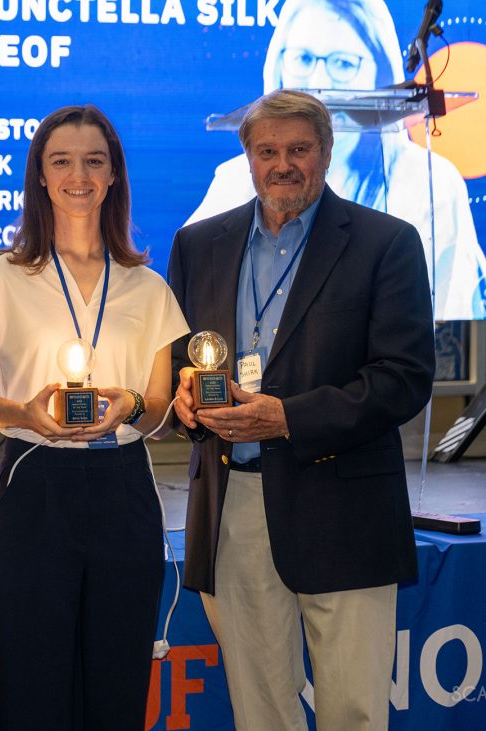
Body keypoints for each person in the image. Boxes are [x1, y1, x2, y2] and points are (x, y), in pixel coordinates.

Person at [169, 89, 435, 730]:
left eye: (298, 150)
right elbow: (184, 364)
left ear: (327, 151)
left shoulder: (386, 243)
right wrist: (181, 400)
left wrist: (286, 418)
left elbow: (404, 379)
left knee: (353, 712)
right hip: (232, 511)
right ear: (248, 158)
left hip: (344, 509)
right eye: (267, 151)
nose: (282, 164)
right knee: (261, 713)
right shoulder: (199, 244)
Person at [0, 104, 189, 730]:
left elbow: (158, 407)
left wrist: (129, 406)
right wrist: (23, 411)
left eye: (93, 161)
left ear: (113, 177)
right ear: (41, 178)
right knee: (31, 684)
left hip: (124, 489)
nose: (78, 175)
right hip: (34, 486)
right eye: (61, 161)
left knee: (118, 681)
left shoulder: (147, 287)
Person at [187, 0, 486, 320]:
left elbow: (451, 333)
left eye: (343, 64)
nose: (317, 79)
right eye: (303, 59)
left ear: (380, 71)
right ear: (279, 65)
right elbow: (195, 313)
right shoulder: (235, 181)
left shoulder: (430, 182)